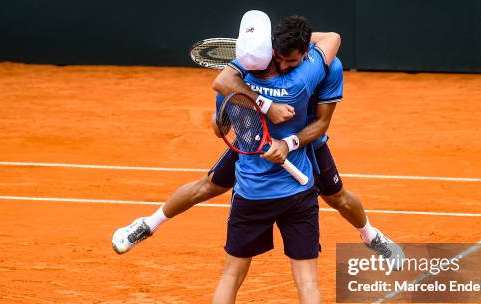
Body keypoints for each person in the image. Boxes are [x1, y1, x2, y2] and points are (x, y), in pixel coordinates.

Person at [111, 23, 403, 261]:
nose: (285, 66)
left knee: (336, 197)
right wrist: (227, 120)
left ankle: (370, 236)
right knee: (208, 186)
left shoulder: (328, 68)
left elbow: (322, 123)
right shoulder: (257, 62)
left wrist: (289, 143)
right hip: (255, 139)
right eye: (281, 58)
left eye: (293, 60)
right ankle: (147, 224)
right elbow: (223, 98)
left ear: (307, 52)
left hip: (306, 144)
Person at [189, 11, 338, 304]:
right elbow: (332, 39)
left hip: (251, 194)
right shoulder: (305, 77)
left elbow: (220, 128)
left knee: (231, 277)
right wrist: (287, 141)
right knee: (307, 282)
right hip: (296, 192)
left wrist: (247, 107)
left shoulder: (234, 82)